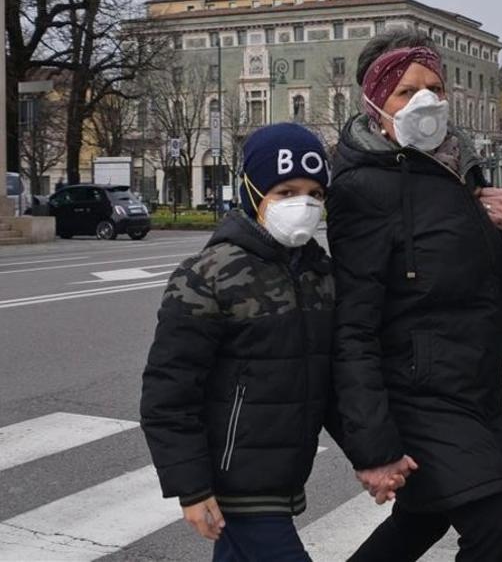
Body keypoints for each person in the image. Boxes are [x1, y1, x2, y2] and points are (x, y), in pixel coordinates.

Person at [327, 30, 502, 561]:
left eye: (435, 88)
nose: (425, 101)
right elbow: (353, 325)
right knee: (491, 526)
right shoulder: (360, 186)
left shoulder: (454, 165)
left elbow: (471, 268)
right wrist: (373, 446)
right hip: (417, 391)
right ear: (374, 101)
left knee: (425, 517)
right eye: (405, 91)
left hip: (472, 383)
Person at [141, 124, 383, 561]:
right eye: (285, 191)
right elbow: (168, 392)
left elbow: (332, 383)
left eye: (315, 193)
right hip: (235, 482)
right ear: (252, 192)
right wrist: (191, 488)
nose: (303, 205)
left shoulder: (320, 274)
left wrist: (372, 456)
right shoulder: (207, 274)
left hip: (283, 477)